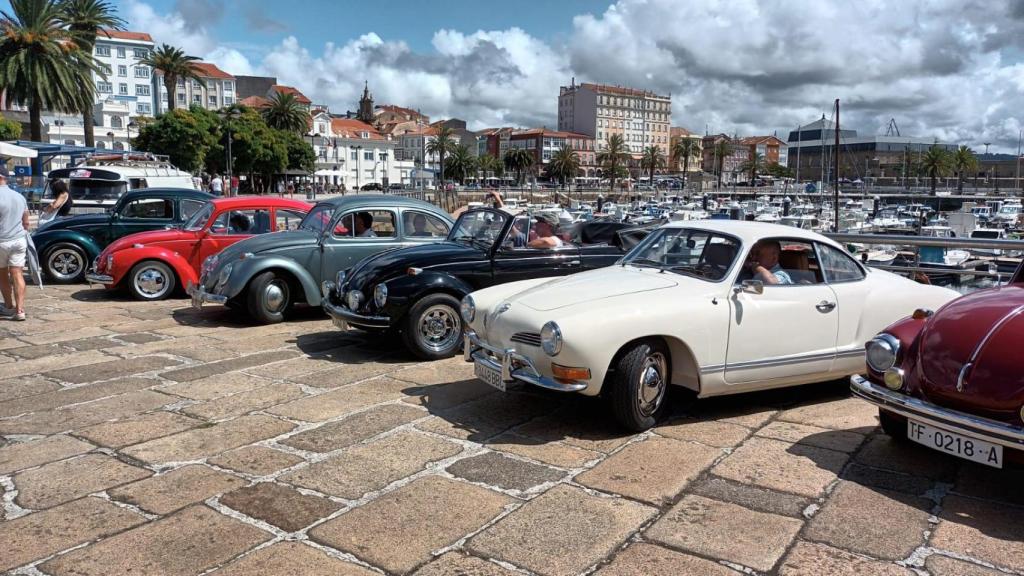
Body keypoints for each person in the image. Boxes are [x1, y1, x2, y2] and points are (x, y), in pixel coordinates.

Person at [0, 164, 29, 321]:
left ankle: (9, 306)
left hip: (1, 241)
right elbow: (26, 222)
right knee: (17, 273)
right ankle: (20, 311)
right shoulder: (20, 196)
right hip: (18, 240)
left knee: (3, 274)